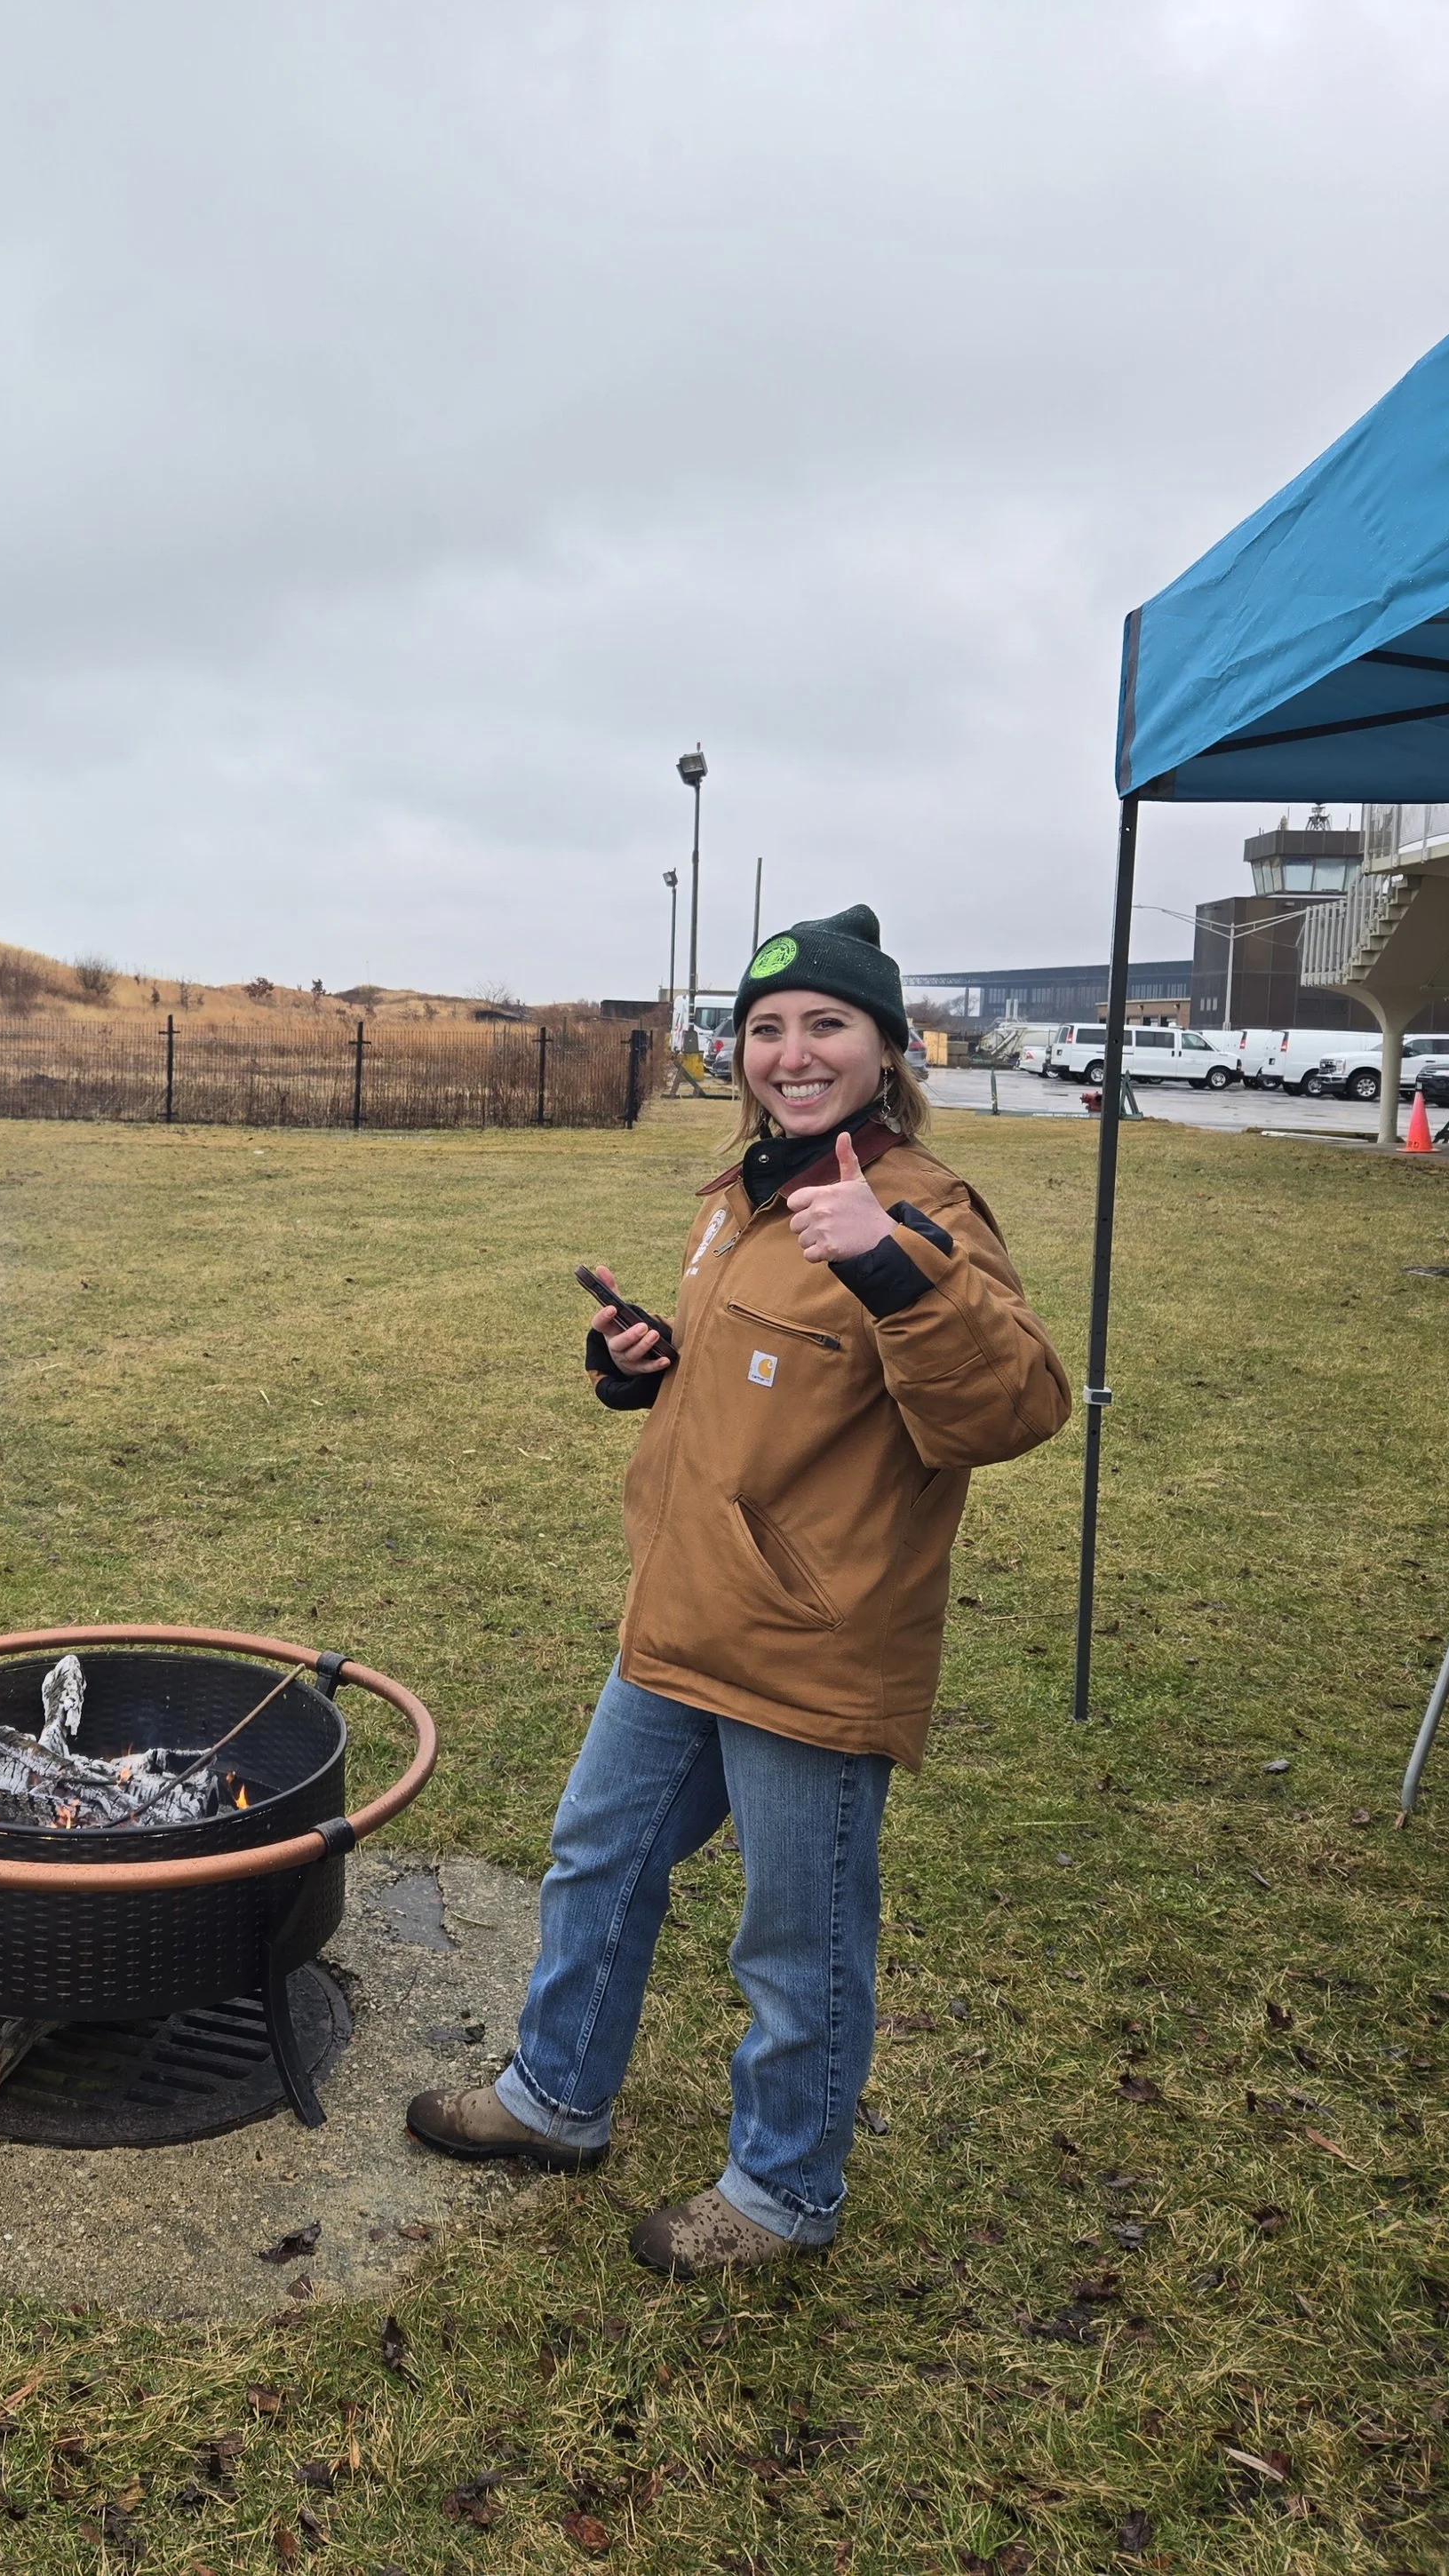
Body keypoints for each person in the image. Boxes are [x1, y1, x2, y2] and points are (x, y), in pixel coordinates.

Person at [406, 904, 1071, 2273]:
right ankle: (555, 2098)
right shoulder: (741, 1196)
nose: (791, 1050)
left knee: (796, 1936)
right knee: (598, 1858)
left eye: (825, 1023)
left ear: (887, 1047)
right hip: (683, 1610)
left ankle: (782, 2194)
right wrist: (642, 1364)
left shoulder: (926, 1210)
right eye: (766, 1028)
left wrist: (891, 1264)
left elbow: (1014, 1408)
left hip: (814, 1640)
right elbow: (758, 1379)